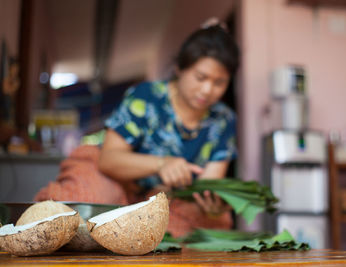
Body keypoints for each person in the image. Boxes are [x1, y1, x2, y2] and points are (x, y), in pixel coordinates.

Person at [35, 19, 240, 237]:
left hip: (166, 197)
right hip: (114, 179)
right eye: (201, 77)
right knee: (89, 203)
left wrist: (210, 202)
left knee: (214, 221)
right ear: (180, 68)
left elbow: (210, 182)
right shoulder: (145, 97)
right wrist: (162, 164)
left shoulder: (223, 119)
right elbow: (109, 160)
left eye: (219, 82)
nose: (208, 90)